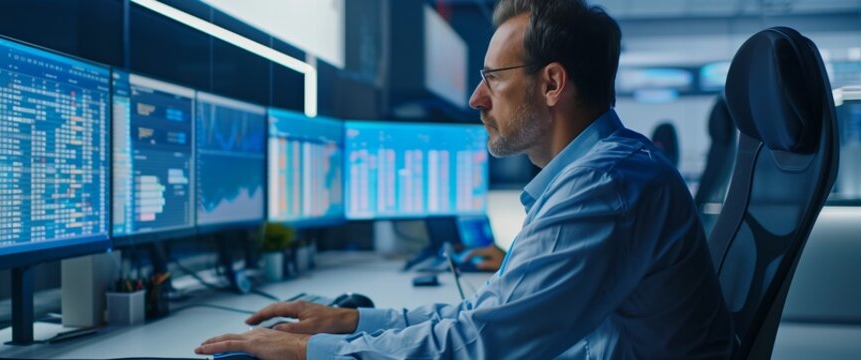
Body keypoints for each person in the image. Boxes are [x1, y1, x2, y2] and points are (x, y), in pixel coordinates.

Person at [196, 0, 734, 358]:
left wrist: (309, 351)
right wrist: (351, 323)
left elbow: (482, 344)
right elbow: (487, 314)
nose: (476, 99)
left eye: (492, 79)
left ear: (551, 84)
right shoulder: (595, 176)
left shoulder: (605, 187)